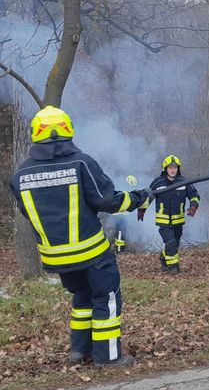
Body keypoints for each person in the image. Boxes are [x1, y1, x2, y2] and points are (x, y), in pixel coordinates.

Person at [9, 106, 149, 367]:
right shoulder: (81, 163)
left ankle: (79, 352)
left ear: (35, 134)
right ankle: (108, 357)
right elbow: (109, 201)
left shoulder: (20, 176)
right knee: (106, 298)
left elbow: (28, 213)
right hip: (91, 252)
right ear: (68, 130)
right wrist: (139, 198)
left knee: (82, 297)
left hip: (56, 258)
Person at [137, 155, 200, 275]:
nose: (172, 170)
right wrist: (142, 210)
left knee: (174, 244)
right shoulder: (158, 182)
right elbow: (148, 197)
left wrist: (193, 206)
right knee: (170, 243)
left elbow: (194, 195)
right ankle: (174, 268)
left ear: (178, 168)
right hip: (163, 221)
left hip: (178, 220)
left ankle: (163, 257)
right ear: (165, 168)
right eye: (170, 167)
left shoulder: (184, 182)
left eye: (175, 167)